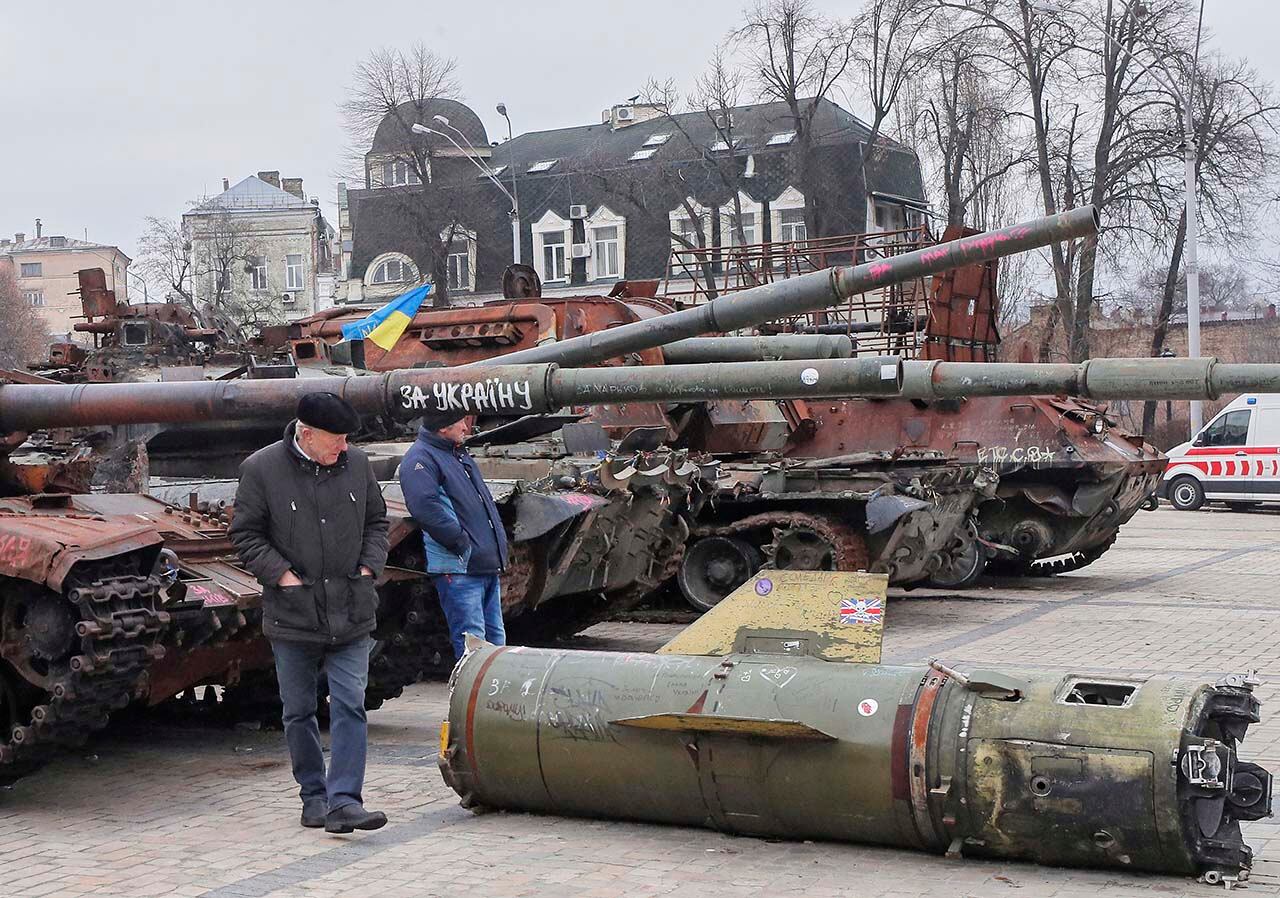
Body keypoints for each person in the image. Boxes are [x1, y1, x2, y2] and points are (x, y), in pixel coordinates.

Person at [228, 392, 390, 834]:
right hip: (294, 612)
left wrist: (368, 566)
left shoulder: (356, 465)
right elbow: (245, 535)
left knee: (350, 704)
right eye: (335, 439)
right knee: (298, 710)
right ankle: (313, 796)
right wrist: (282, 576)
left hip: (351, 606)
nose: (343, 447)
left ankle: (344, 802)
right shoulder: (261, 469)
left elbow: (378, 521)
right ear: (306, 433)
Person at [399, 411, 508, 660]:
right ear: (442, 427)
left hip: (483, 564)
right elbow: (424, 507)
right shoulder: (421, 459)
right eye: (460, 421)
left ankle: (491, 697)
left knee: (496, 643)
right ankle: (472, 698)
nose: (465, 427)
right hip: (460, 567)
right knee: (474, 646)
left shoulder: (456, 453)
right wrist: (461, 543)